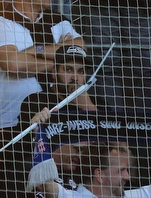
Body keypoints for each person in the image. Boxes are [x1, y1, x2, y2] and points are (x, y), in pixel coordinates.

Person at [0, 0, 81, 185]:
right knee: (20, 188)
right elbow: (13, 65)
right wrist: (58, 62)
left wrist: (35, 50)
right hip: (14, 125)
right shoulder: (0, 23)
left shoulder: (59, 20)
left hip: (61, 120)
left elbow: (80, 52)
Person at [19, 45, 98, 193]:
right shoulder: (36, 101)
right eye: (68, 70)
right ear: (54, 72)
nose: (75, 78)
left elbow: (120, 149)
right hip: (48, 184)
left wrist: (88, 107)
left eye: (80, 72)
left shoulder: (96, 104)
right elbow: (25, 152)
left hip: (89, 184)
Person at [35, 140, 151, 198]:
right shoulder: (73, 196)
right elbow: (44, 183)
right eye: (121, 170)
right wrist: (39, 130)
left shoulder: (131, 196)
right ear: (99, 174)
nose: (127, 177)